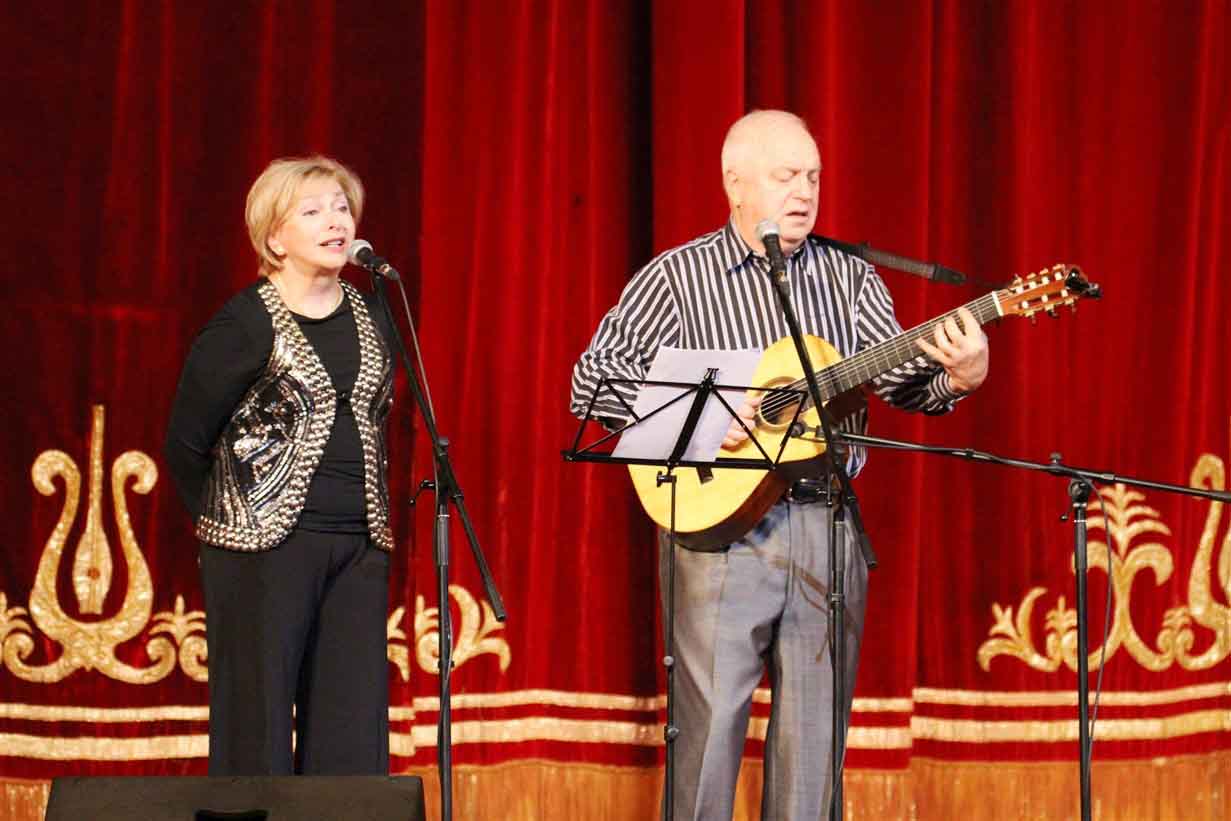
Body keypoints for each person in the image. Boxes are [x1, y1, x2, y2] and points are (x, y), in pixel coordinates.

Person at [570, 110, 989, 819]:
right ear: (735, 184)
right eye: (785, 175)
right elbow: (593, 382)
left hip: (826, 526)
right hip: (721, 532)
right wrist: (707, 416)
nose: (804, 191)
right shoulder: (677, 278)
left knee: (813, 747)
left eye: (813, 177)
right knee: (708, 738)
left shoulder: (848, 278)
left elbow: (902, 383)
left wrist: (960, 375)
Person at [165, 155, 398, 775]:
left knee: (351, 737)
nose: (335, 222)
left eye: (342, 208)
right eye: (313, 211)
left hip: (358, 546)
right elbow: (186, 442)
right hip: (260, 552)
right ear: (275, 238)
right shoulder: (243, 323)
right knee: (256, 731)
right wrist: (231, 526)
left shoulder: (375, 312)